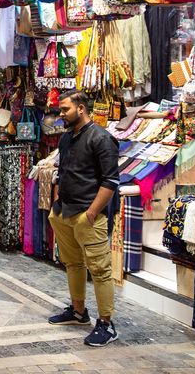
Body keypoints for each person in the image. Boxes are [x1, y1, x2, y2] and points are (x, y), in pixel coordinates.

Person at [49, 89, 120, 347]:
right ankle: (79, 313)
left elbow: (111, 181)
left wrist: (91, 214)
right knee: (72, 263)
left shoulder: (102, 138)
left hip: (88, 215)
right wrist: (56, 204)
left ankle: (107, 324)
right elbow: (63, 170)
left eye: (65, 109)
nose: (61, 114)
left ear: (81, 108)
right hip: (64, 211)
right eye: (60, 110)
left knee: (100, 270)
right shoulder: (67, 138)